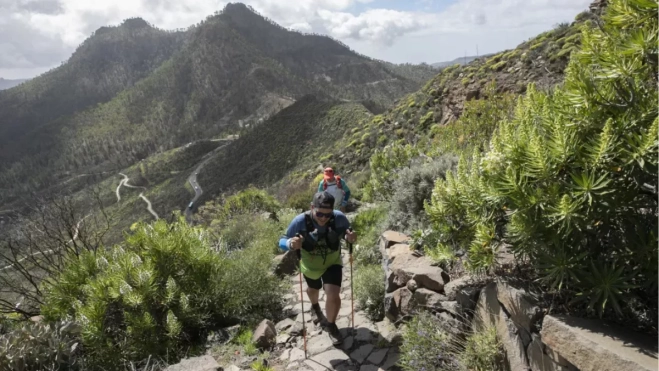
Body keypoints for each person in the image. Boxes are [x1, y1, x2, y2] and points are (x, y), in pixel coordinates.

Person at [278, 191, 357, 345]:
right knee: (313, 290)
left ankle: (331, 325)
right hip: (310, 266)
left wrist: (350, 238)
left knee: (333, 294)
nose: (323, 218)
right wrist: (290, 244)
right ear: (312, 207)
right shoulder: (300, 221)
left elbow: (348, 234)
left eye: (327, 215)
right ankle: (315, 306)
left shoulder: (339, 218)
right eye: (319, 214)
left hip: (332, 262)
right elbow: (281, 241)